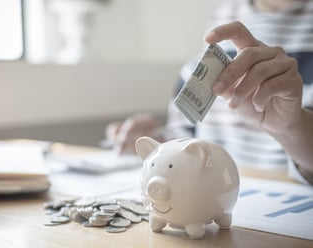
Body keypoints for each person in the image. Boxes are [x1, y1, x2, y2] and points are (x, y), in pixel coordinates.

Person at [105, 0, 313, 184]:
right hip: (208, 196)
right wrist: (158, 143)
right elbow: (187, 133)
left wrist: (291, 128)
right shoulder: (221, 17)